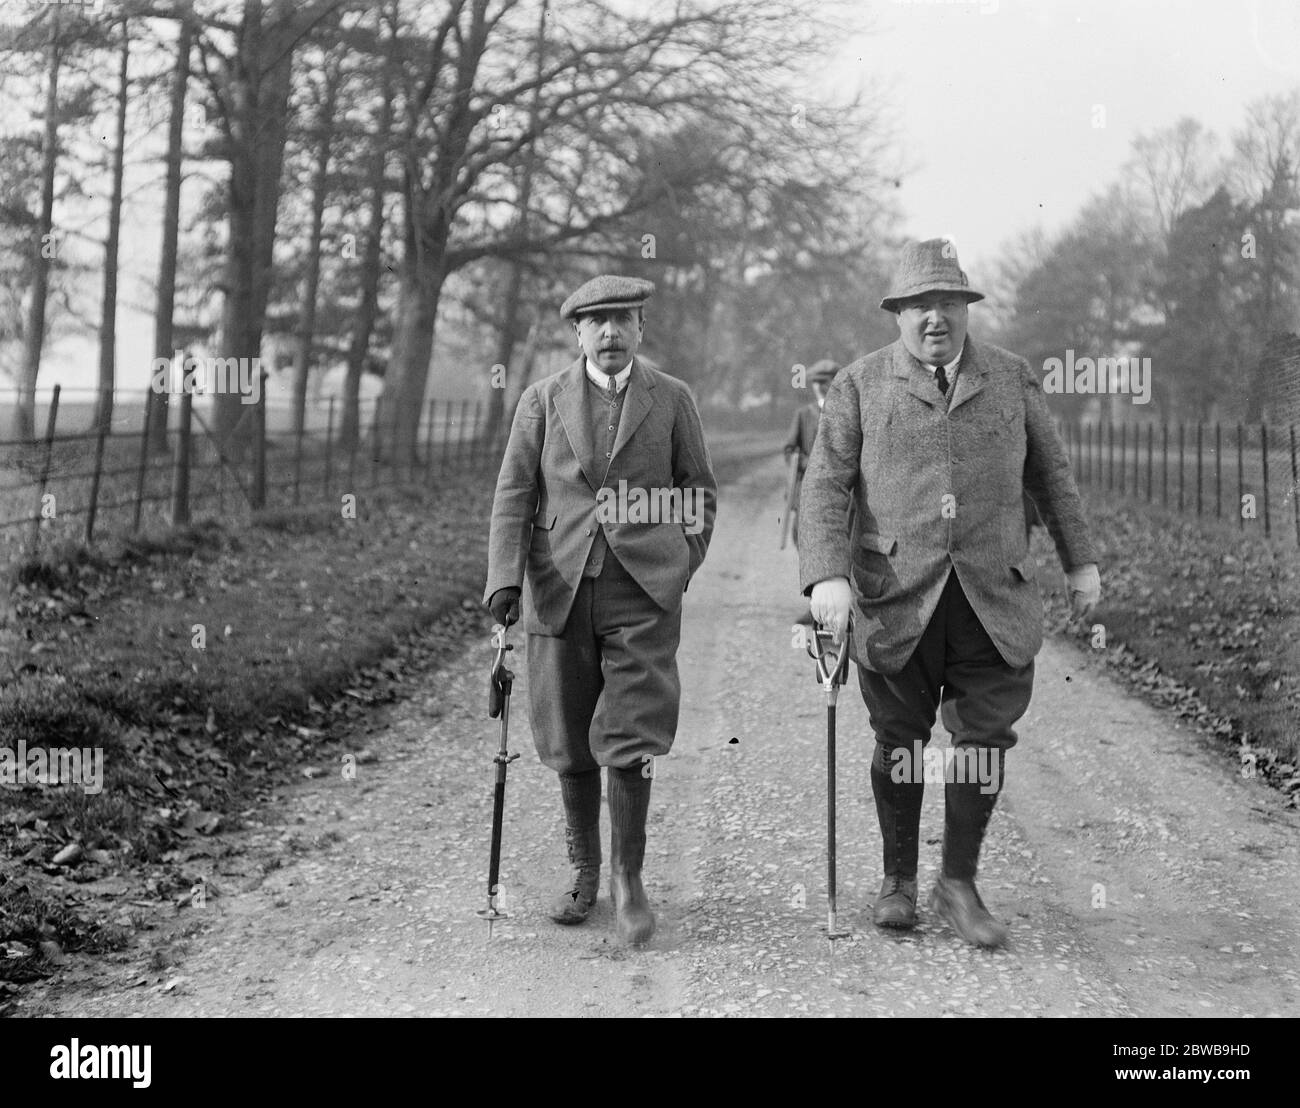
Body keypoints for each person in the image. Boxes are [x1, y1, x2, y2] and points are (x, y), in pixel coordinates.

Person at [798, 239, 1101, 948]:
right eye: (918, 305)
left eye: (948, 303)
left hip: (992, 595)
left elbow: (1052, 478)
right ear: (897, 313)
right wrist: (828, 575)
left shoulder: (1011, 377)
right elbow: (825, 485)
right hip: (896, 595)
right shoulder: (860, 384)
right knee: (898, 738)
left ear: (967, 309)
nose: (935, 317)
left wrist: (1081, 562)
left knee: (984, 739)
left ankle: (958, 883)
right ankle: (899, 878)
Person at [484, 274, 717, 945]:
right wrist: (504, 579)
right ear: (577, 333)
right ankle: (583, 871)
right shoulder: (542, 401)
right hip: (558, 590)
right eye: (596, 321)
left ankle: (629, 881)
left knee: (632, 733)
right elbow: (512, 496)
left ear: (641, 328)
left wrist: (678, 563)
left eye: (623, 319)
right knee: (568, 733)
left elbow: (697, 491)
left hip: (641, 594)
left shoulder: (671, 399)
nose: (610, 333)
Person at [782, 359, 841, 546]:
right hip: (808, 488)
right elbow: (789, 450)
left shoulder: (848, 412)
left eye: (826, 382)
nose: (821, 387)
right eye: (817, 382)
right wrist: (810, 463)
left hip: (841, 490)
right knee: (803, 537)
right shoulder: (804, 414)